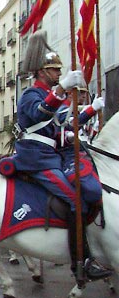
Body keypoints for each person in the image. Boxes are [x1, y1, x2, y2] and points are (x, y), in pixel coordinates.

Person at [15, 30, 111, 281]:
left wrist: (91, 109)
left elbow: (67, 124)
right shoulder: (30, 95)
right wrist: (62, 89)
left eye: (59, 70)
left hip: (51, 156)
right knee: (75, 199)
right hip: (36, 158)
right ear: (41, 72)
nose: (59, 73)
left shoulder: (51, 96)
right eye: (55, 70)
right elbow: (40, 113)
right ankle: (81, 262)